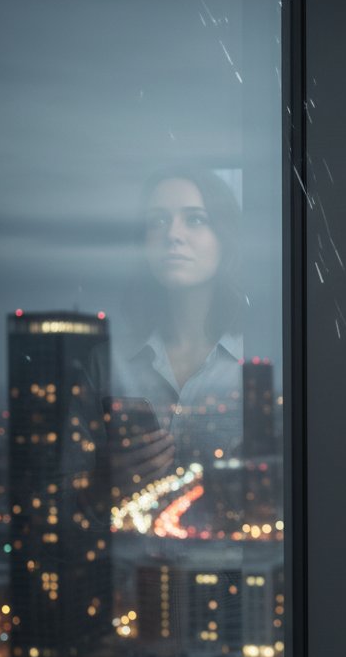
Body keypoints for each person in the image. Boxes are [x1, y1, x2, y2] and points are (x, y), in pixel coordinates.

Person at [105, 167, 246, 490]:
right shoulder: (111, 361)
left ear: (224, 237)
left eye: (195, 219)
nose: (173, 235)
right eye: (157, 221)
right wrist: (105, 481)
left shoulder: (263, 354)